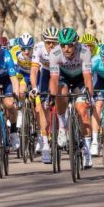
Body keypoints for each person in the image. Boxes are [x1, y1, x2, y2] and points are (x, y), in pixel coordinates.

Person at [48, 28, 94, 167]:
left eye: (69, 45)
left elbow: (87, 78)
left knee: (82, 110)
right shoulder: (55, 53)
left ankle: (86, 150)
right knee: (60, 94)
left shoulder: (85, 51)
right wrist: (52, 95)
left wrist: (88, 95)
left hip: (80, 79)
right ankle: (62, 127)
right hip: (63, 78)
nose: (66, 48)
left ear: (76, 43)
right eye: (63, 45)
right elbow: (54, 79)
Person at [29, 26, 59, 161]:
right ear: (44, 42)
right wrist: (34, 87)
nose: (51, 45)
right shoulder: (38, 48)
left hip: (60, 71)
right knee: (41, 105)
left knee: (62, 98)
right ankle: (45, 144)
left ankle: (64, 128)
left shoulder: (62, 50)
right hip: (46, 71)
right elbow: (34, 71)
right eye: (48, 42)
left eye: (54, 42)